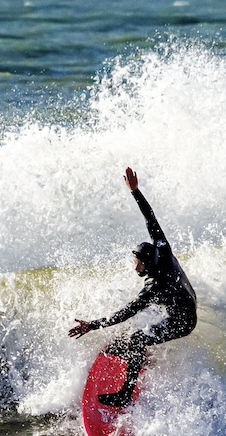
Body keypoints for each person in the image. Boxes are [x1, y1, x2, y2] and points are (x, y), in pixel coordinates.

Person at [69, 167, 197, 407]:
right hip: (187, 299)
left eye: (137, 263)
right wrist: (135, 191)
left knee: (137, 339)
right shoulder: (162, 248)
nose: (134, 267)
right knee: (138, 334)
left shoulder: (154, 287)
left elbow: (125, 313)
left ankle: (125, 395)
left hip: (184, 321)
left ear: (147, 265)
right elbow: (151, 218)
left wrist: (92, 326)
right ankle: (135, 353)